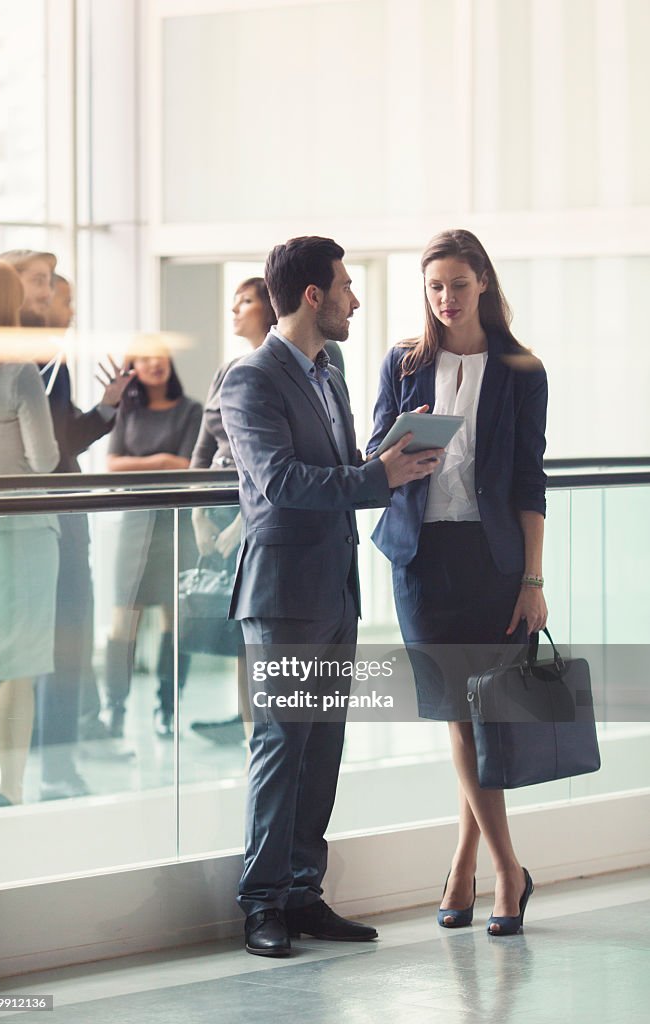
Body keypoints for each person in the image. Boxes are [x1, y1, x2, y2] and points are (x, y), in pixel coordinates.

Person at [219, 235, 440, 957]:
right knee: (281, 747)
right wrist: (381, 479)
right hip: (282, 592)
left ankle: (302, 893)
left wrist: (393, 453)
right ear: (313, 296)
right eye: (344, 286)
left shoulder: (331, 371)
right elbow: (279, 483)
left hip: (335, 588)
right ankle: (261, 904)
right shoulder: (249, 380)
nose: (352, 298)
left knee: (323, 749)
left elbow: (340, 467)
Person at [367, 229, 548, 936]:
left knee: (485, 717)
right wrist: (399, 447)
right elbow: (374, 449)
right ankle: (500, 869)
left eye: (458, 285)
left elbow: (532, 481)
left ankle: (483, 867)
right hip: (422, 561)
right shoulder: (402, 363)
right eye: (434, 287)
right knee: (456, 714)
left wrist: (533, 578)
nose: (446, 299)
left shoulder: (521, 369)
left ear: (484, 284)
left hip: (493, 562)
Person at [0, 250, 135, 797]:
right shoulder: (19, 360)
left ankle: (49, 765)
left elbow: (58, 445)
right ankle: (37, 768)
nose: (61, 302)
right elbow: (50, 452)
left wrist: (104, 409)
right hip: (32, 518)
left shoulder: (50, 360)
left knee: (63, 640)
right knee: (35, 643)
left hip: (52, 517)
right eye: (46, 285)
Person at [0, 258, 60, 809]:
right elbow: (44, 459)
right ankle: (12, 791)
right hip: (21, 530)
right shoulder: (20, 371)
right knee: (18, 665)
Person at [189, 278, 276, 745]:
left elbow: (273, 461)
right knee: (234, 634)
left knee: (254, 637)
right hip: (218, 509)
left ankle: (257, 736)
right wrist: (197, 513)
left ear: (270, 305)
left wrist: (244, 521)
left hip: (256, 511)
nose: (235, 310)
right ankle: (248, 733)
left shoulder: (284, 365)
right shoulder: (227, 370)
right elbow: (202, 447)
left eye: (245, 300)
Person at [105, 350, 202, 739]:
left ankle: (167, 708)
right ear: (133, 369)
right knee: (123, 619)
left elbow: (191, 462)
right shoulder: (127, 412)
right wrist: (163, 459)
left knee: (174, 621)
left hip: (174, 524)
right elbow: (111, 463)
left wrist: (148, 462)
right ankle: (115, 710)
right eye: (143, 359)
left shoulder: (190, 410)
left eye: (160, 357)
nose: (154, 364)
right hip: (134, 524)